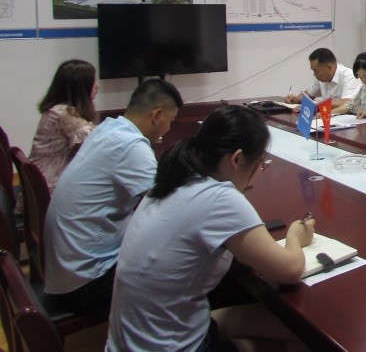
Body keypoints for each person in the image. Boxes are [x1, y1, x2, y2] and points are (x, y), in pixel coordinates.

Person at [106, 105, 314, 351]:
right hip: (171, 345)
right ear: (237, 159)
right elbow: (290, 269)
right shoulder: (219, 198)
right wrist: (295, 237)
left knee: (280, 323)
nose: (259, 174)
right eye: (260, 165)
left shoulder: (173, 178)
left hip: (135, 339)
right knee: (304, 338)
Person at [43, 79, 183, 314]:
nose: (169, 129)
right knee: (186, 262)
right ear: (157, 114)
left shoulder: (107, 130)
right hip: (87, 283)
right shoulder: (131, 146)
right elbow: (170, 208)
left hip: (64, 270)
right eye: (171, 121)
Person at [28, 59, 99, 194]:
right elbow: (97, 142)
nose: (97, 86)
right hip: (51, 189)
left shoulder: (59, 109)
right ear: (79, 86)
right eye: (93, 81)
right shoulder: (63, 113)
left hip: (42, 183)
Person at [284, 48, 361, 114]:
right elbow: (309, 94)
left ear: (329, 67)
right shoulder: (321, 77)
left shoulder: (350, 76)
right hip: (327, 117)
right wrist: (296, 99)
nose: (314, 74)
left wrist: (318, 104)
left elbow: (347, 103)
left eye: (316, 71)